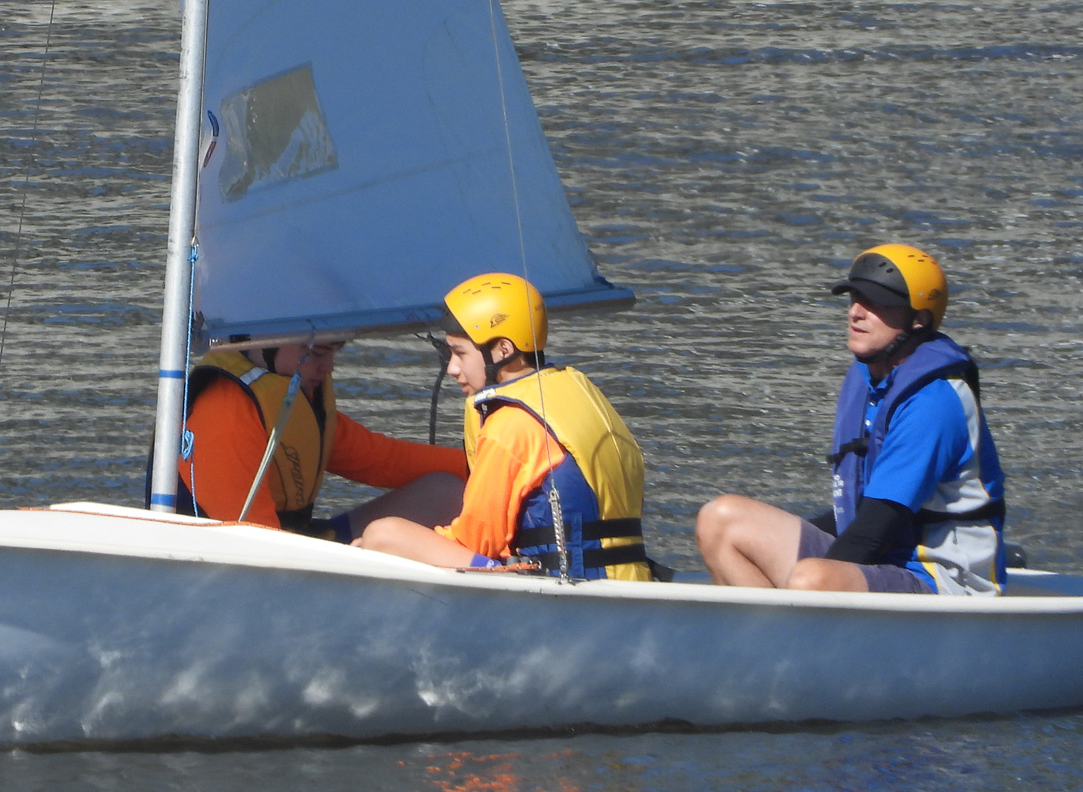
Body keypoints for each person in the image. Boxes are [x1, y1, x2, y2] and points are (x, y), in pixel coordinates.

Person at [696, 244, 1007, 596]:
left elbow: (878, 527)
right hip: (883, 555)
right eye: (855, 298)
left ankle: (781, 640)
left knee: (813, 579)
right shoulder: (867, 378)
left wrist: (799, 572)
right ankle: (765, 643)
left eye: (876, 304)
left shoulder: (934, 401)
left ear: (918, 320)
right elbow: (857, 516)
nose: (856, 312)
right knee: (721, 520)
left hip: (942, 577)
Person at [357, 273, 653, 581]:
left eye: (460, 353)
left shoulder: (510, 425)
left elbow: (476, 541)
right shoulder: (578, 391)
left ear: (503, 350)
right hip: (629, 577)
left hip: (567, 587)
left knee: (384, 534)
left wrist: (385, 549)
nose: (452, 368)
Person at [180, 338, 468, 539]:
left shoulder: (289, 399)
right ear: (264, 342)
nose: (328, 367)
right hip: (249, 563)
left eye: (333, 353)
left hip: (299, 541)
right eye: (317, 353)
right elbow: (253, 545)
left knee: (446, 491)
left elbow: (382, 459)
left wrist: (487, 465)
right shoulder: (225, 415)